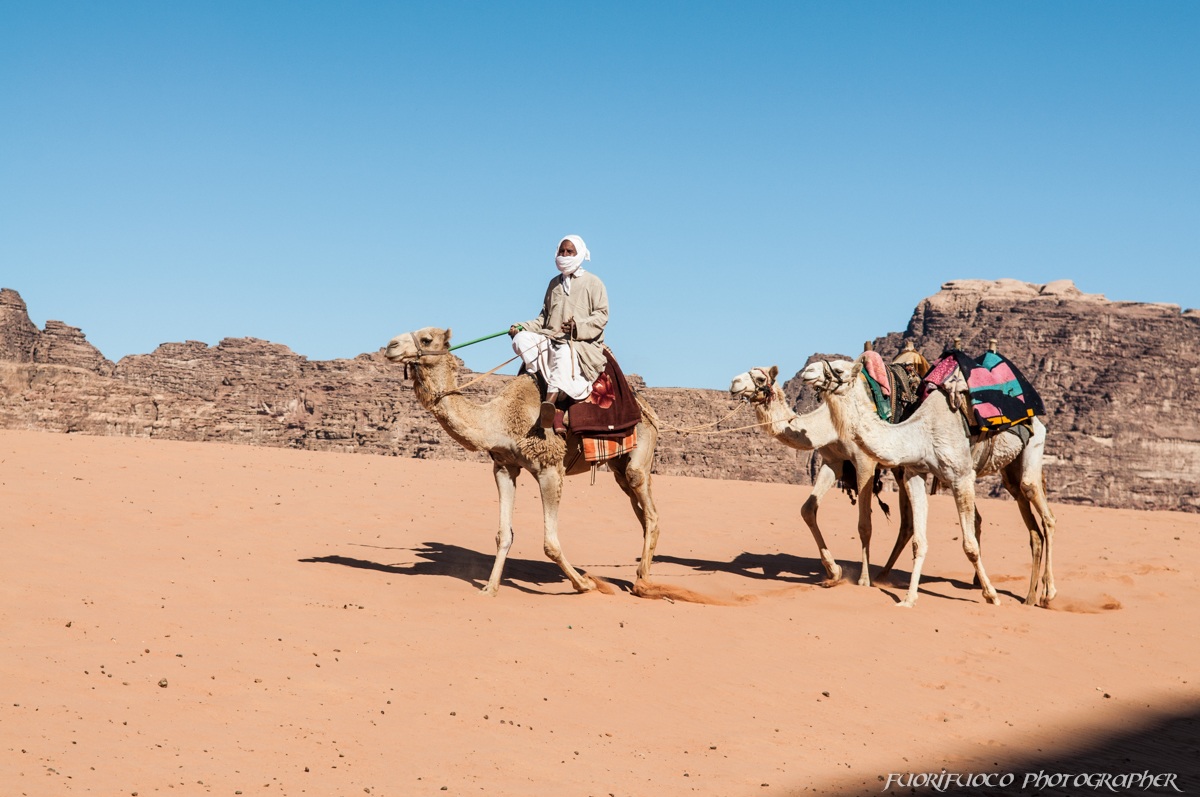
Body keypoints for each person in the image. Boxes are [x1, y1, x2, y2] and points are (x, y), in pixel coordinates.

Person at [509, 235, 609, 429]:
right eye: (561, 251)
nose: (564, 255)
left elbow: (602, 316)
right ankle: (541, 383)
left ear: (579, 253)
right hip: (550, 338)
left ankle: (551, 403)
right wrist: (521, 327)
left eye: (569, 252)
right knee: (521, 340)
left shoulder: (593, 283)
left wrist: (577, 327)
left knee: (563, 352)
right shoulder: (554, 284)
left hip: (580, 345)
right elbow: (543, 319)